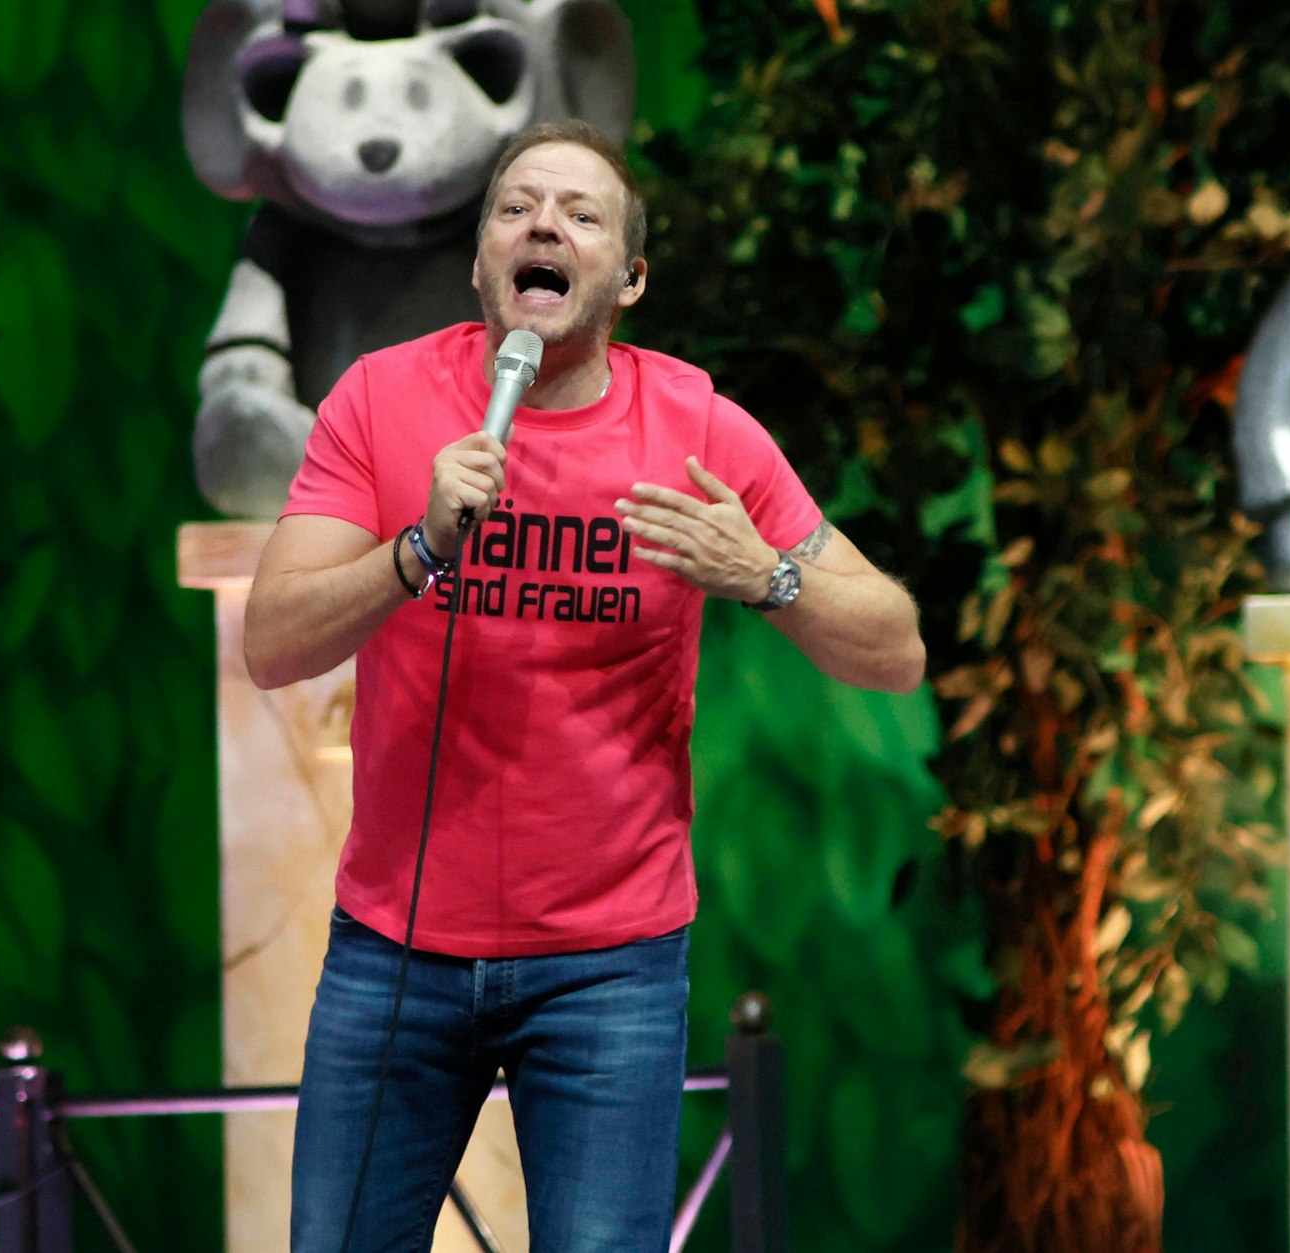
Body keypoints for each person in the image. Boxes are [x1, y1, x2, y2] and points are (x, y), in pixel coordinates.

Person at [243, 119, 925, 1252]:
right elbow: (273, 642)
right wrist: (416, 549)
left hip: (609, 967)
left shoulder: (698, 430)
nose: (543, 226)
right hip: (395, 947)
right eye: (515, 209)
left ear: (630, 278)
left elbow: (893, 647)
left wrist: (765, 574)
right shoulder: (378, 400)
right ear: (480, 267)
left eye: (579, 214)